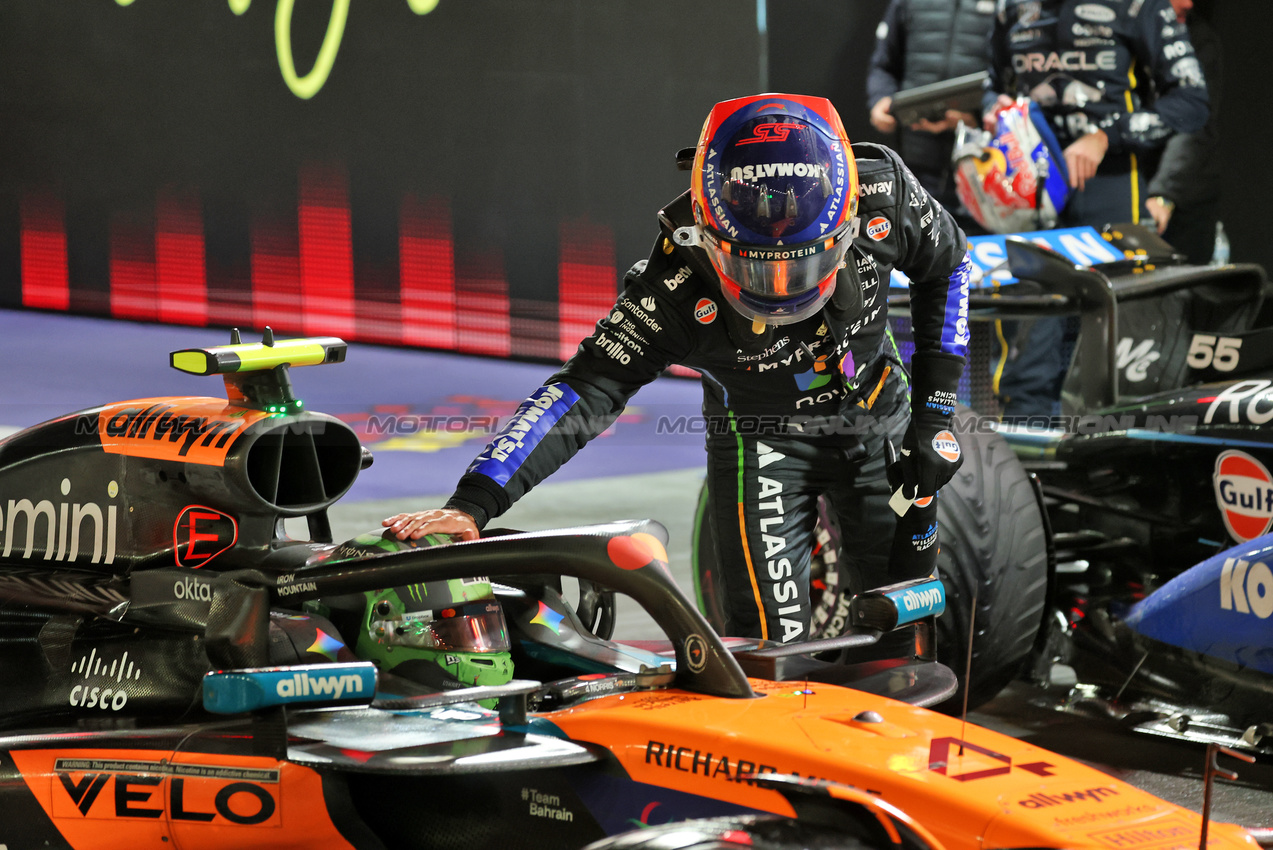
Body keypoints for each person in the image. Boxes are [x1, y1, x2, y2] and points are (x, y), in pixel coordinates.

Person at [385, 94, 972, 644]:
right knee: (770, 645)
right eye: (758, 267)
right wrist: (472, 504)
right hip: (761, 440)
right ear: (705, 232)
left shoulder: (883, 193)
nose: (780, 288)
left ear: (848, 222)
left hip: (878, 415)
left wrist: (935, 416)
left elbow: (949, 265)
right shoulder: (673, 284)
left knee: (905, 617)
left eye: (801, 265)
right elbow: (585, 388)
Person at [983, 0, 1210, 419]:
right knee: (1027, 362)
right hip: (1030, 198)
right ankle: (1028, 451)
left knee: (1119, 360)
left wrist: (1107, 137)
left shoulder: (1139, 5)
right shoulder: (1010, 8)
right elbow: (993, 83)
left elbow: (1192, 100)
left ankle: (1114, 453)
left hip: (1114, 192)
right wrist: (993, 109)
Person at [866, 0, 996, 232]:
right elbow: (883, 66)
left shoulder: (1006, 5)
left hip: (982, 168)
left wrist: (974, 120)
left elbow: (1009, 79)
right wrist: (880, 100)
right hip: (915, 165)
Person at [1146, 0, 1223, 265]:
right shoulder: (1131, 30)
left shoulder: (1200, 39)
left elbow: (1195, 127)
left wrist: (1163, 194)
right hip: (1136, 185)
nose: (1187, 3)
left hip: (1186, 195)